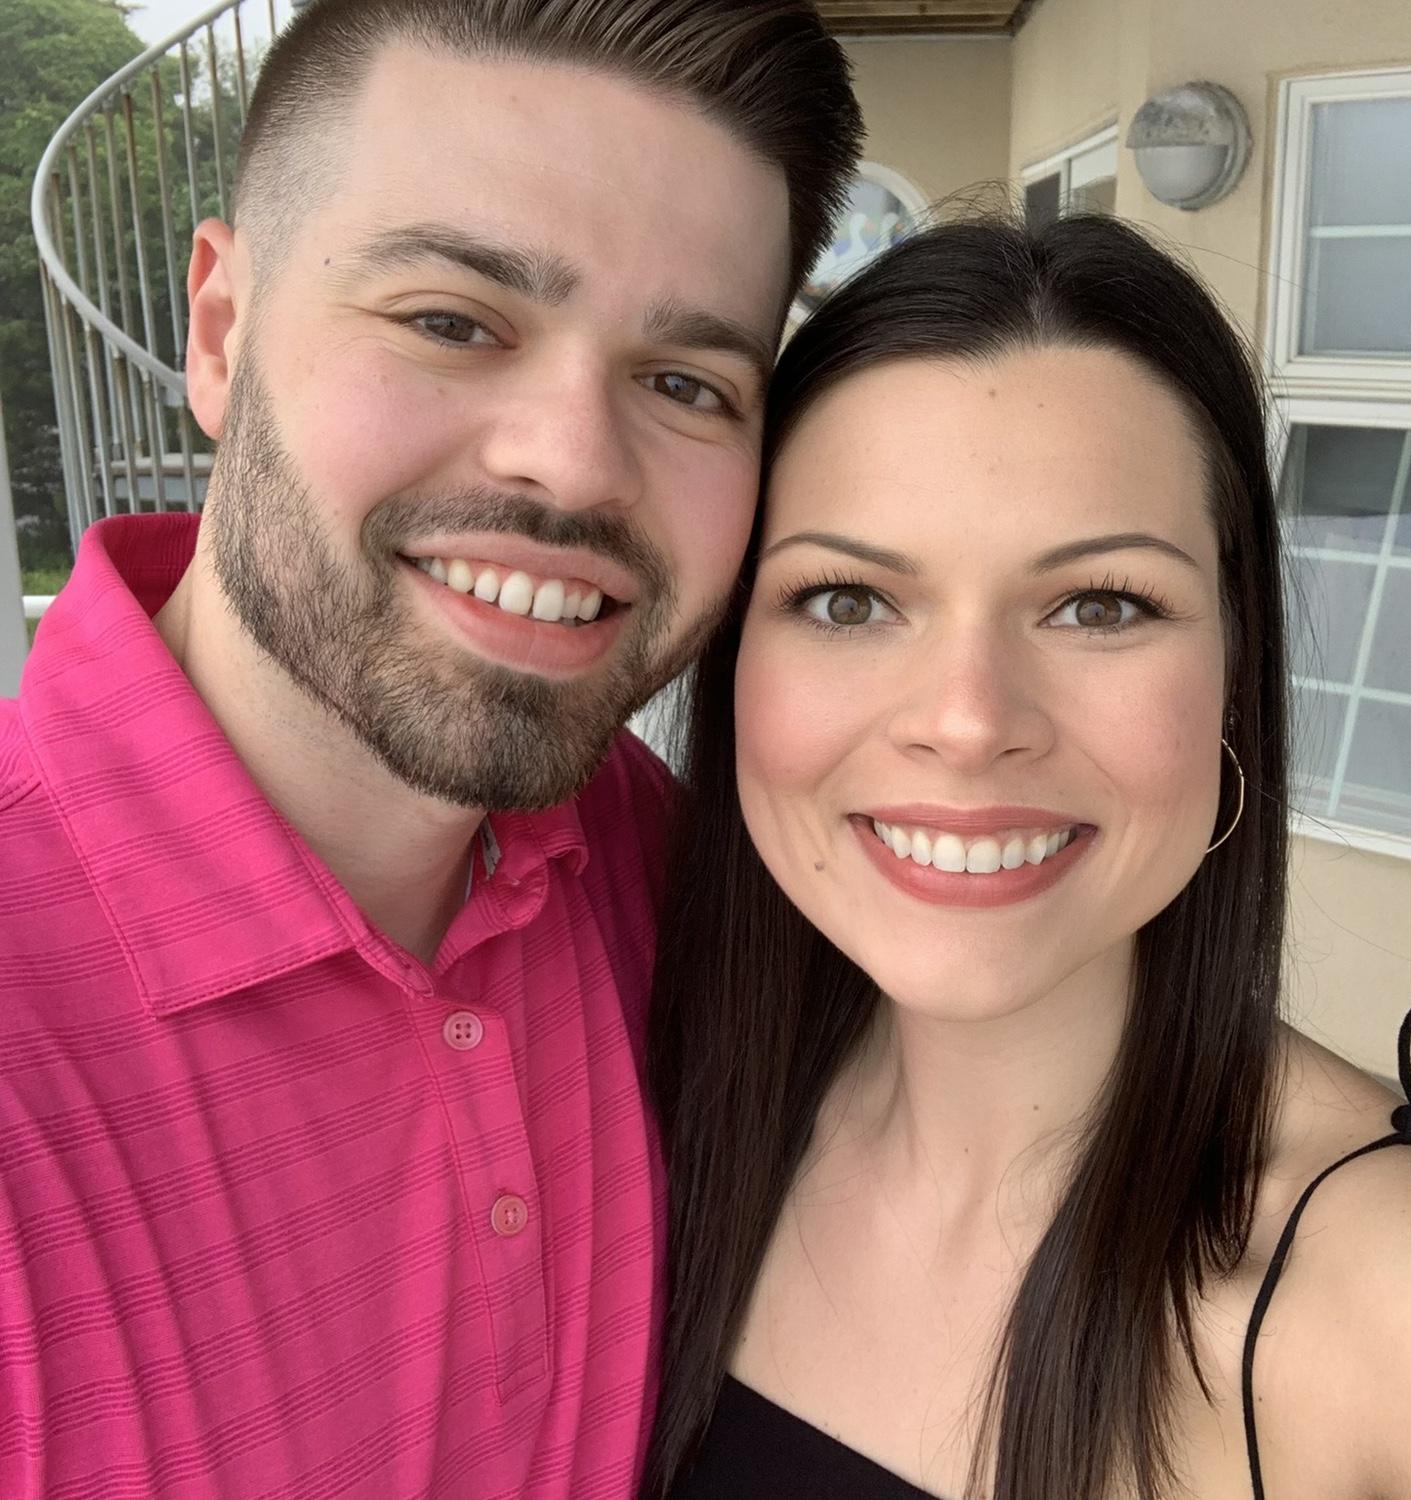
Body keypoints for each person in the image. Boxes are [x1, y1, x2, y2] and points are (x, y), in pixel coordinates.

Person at [0, 2, 861, 1494]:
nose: (576, 464)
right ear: (220, 332)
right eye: (453, 322)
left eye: (687, 384)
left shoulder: (639, 848)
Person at [643, 214, 1411, 1500]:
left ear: (1232, 671)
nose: (970, 721)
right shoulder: (653, 1122)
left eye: (1100, 605)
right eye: (848, 600)